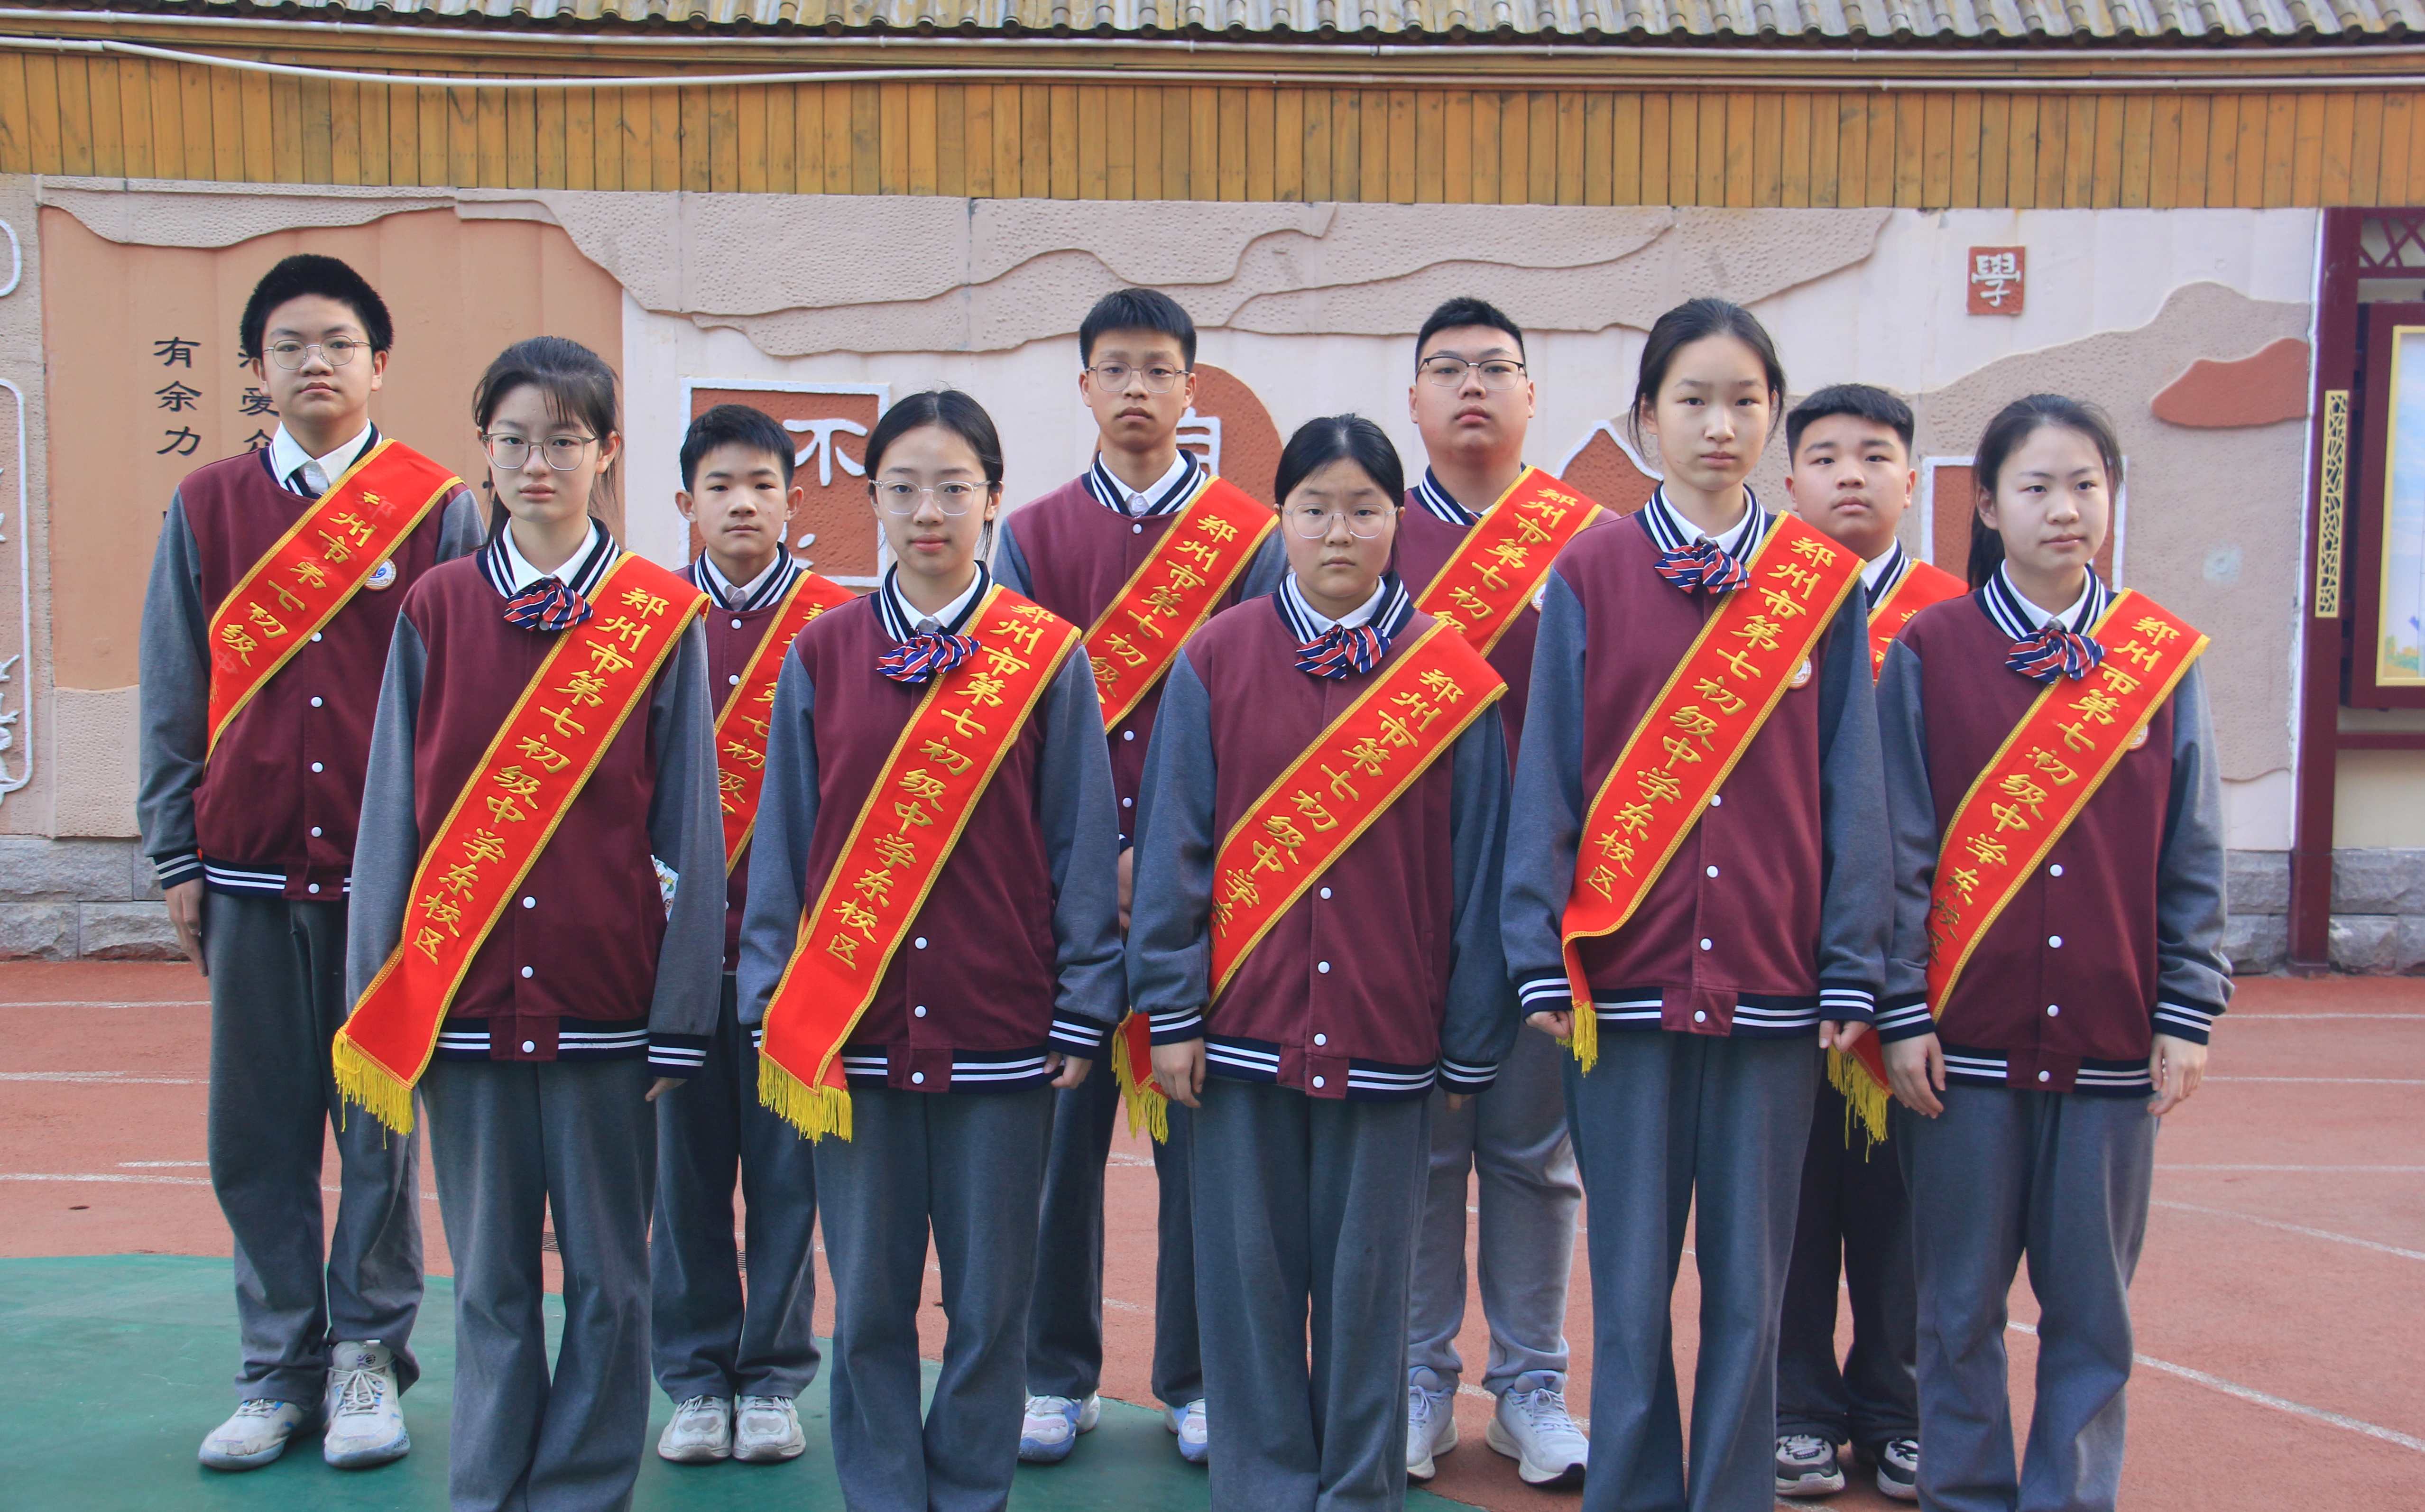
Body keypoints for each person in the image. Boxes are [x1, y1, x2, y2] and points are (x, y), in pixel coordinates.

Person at [1502, 297, 1891, 1512]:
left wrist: (1853, 961)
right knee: (1628, 1285)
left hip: (1772, 986)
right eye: (1692, 400)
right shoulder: (1590, 571)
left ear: (1772, 419)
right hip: (1619, 987)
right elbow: (1549, 771)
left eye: (1743, 402)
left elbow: (1853, 784)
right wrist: (1535, 948)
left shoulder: (1817, 585)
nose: (1718, 425)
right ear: (1644, 418)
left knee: (1751, 1287)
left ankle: (1729, 1492)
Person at [339, 335, 724, 1512]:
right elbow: (392, 816)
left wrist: (681, 1013)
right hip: (461, 1004)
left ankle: (583, 1489)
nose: (536, 462)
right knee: (490, 1280)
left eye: (563, 439)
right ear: (486, 452)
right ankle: (490, 1484)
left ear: (608, 452)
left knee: (610, 1278)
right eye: (513, 439)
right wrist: (378, 995)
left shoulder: (659, 615)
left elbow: (690, 826)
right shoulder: (438, 607)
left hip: (608, 1002)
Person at [740, 388, 1123, 1512]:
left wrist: (1084, 997)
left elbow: (1080, 840)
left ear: (993, 500)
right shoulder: (823, 653)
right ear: (871, 501)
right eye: (902, 488)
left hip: (1001, 1029)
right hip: (851, 1031)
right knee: (866, 1299)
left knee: (991, 1301)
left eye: (953, 488)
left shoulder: (1045, 658)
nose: (927, 512)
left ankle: (968, 1489)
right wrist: (770, 992)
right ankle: (881, 1492)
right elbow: (783, 838)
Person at [1129, 414, 1516, 1512]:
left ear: (1399, 520)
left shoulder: (1448, 675)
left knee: (1368, 1296)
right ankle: (1260, 1489)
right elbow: (1174, 848)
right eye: (1313, 509)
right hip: (1238, 1038)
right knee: (1245, 1290)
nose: (1338, 532)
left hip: (1389, 1040)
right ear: (1280, 520)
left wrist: (1466, 1043)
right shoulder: (1216, 657)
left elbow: (1480, 871)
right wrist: (1171, 1012)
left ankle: (1356, 1492)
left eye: (1362, 509)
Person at [138, 252, 483, 1474]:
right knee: (257, 1134)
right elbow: (174, 685)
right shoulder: (207, 506)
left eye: (338, 343)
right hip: (244, 871)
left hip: (385, 886)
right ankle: (276, 1367)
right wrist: (174, 849)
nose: (315, 363)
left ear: (378, 364)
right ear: (258, 370)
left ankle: (366, 1358)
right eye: (289, 345)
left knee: (377, 1127)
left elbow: (467, 701)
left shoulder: (438, 510)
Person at [1872, 394, 2229, 1512]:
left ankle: (2072, 1497)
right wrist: (1899, 1008)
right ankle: (1965, 1494)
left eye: (2086, 484)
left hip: (2112, 1040)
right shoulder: (1931, 649)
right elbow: (1895, 845)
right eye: (2035, 486)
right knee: (1956, 1308)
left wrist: (2187, 1011)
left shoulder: (2156, 657)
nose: (2064, 508)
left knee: (2091, 1312)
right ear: (1985, 505)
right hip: (1962, 1047)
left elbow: (2192, 849)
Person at [994, 286, 1284, 1467]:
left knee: (1200, 1149)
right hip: (1063, 901)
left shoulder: (1249, 538)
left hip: (1196, 900)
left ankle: (1199, 1378)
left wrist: (1166, 869)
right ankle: (1052, 1374)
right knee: (1057, 1147)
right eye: (1113, 368)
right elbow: (1010, 718)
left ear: (1189, 388)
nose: (1135, 389)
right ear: (1084, 386)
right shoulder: (1034, 535)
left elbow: (1264, 720)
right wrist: (1084, 867)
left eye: (1158, 370)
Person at [1395, 295, 1598, 1489]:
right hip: (1407, 904)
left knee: (1533, 1153)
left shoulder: (1593, 546)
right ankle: (1418, 1378)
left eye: (1495, 367)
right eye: (1447, 368)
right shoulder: (1370, 535)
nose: (1471, 386)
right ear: (1413, 399)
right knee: (1420, 1151)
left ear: (1532, 395)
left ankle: (1531, 1386)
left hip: (1547, 908)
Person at [650, 404, 854, 1466]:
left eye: (762, 485)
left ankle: (773, 1377)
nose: (742, 504)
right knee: (682, 1186)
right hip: (673, 966)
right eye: (720, 486)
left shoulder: (836, 629)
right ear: (684, 502)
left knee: (787, 1182)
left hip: (793, 964)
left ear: (792, 499)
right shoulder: (643, 622)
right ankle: (693, 1378)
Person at [1772, 383, 1962, 1502]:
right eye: (1827, 455)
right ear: (1789, 479)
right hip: (1789, 964)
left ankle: (1898, 1406)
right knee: (1790, 1207)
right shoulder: (1755, 610)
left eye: (1876, 455)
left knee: (1906, 1211)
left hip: (1921, 972)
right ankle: (1797, 1406)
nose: (1852, 474)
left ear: (1910, 479)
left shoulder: (1953, 623)